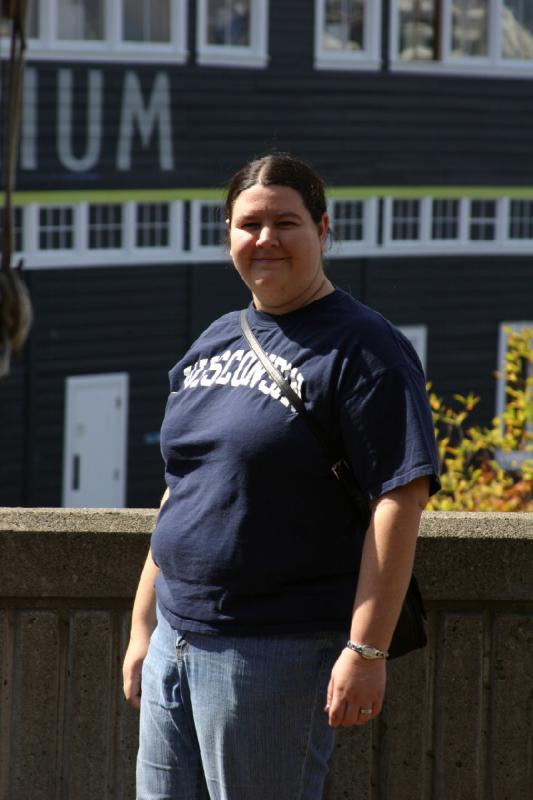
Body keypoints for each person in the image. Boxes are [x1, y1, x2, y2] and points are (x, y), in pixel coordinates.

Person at [123, 153, 440, 800]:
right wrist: (141, 630)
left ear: (323, 231)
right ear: (228, 237)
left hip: (274, 650)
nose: (264, 239)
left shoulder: (363, 347)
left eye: (285, 223)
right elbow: (178, 490)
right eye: (248, 224)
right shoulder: (213, 340)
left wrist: (365, 651)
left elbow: (398, 501)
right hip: (175, 638)